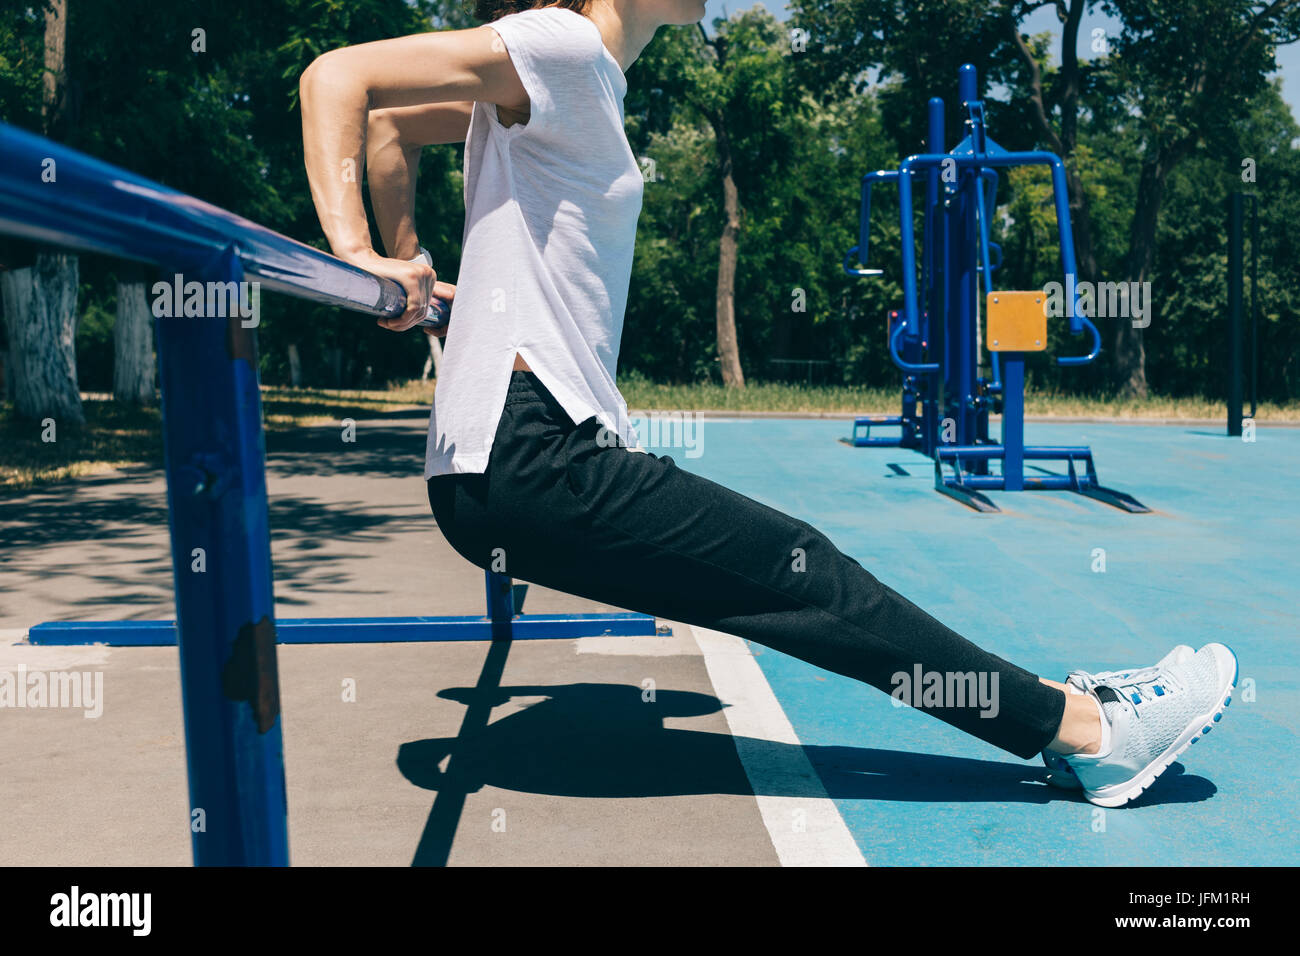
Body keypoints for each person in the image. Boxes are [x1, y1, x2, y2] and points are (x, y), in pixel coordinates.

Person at [298, 0, 1236, 809]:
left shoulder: (572, 76)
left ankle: (1067, 713)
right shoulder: (565, 46)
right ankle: (1091, 735)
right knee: (807, 578)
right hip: (531, 453)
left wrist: (419, 268)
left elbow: (387, 130)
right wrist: (363, 255)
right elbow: (340, 78)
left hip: (508, 456)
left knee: (798, 585)